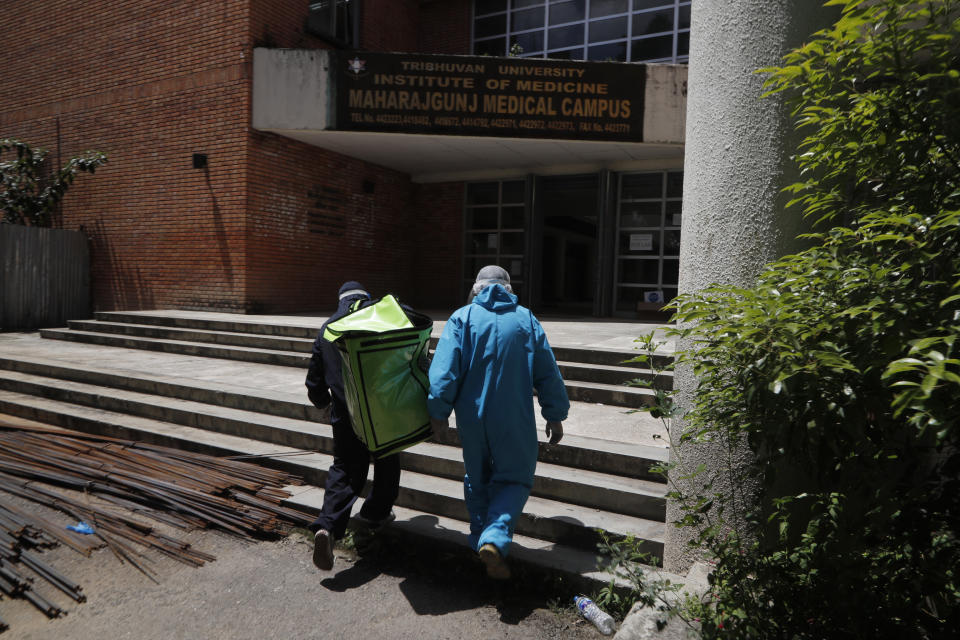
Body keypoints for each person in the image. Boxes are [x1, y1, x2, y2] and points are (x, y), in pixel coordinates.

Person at [427, 265, 569, 580]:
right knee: (515, 479)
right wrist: (554, 414)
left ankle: (481, 539)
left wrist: (438, 413)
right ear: (508, 288)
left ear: (476, 288)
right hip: (513, 417)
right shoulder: (526, 320)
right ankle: (494, 537)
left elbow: (443, 374)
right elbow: (547, 373)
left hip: (471, 417)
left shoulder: (461, 319)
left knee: (477, 478)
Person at [305, 281, 400, 571]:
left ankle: (327, 527)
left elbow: (314, 380)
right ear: (365, 298)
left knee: (345, 468)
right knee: (387, 461)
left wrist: (323, 402)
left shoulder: (327, 328)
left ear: (340, 301)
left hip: (345, 414)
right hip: (382, 411)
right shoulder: (378, 316)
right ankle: (374, 514)